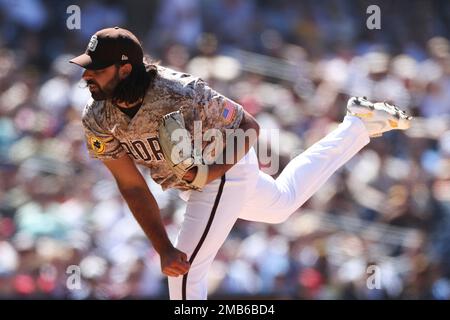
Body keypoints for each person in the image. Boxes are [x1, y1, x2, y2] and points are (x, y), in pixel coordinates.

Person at [70, 27, 412, 300]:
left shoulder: (179, 91)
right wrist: (162, 246)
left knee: (186, 272)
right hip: (193, 182)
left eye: (95, 70)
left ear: (125, 68)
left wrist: (212, 171)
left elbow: (248, 126)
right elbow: (131, 185)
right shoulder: (97, 117)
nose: (86, 76)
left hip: (224, 166)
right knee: (281, 204)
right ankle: (358, 124)